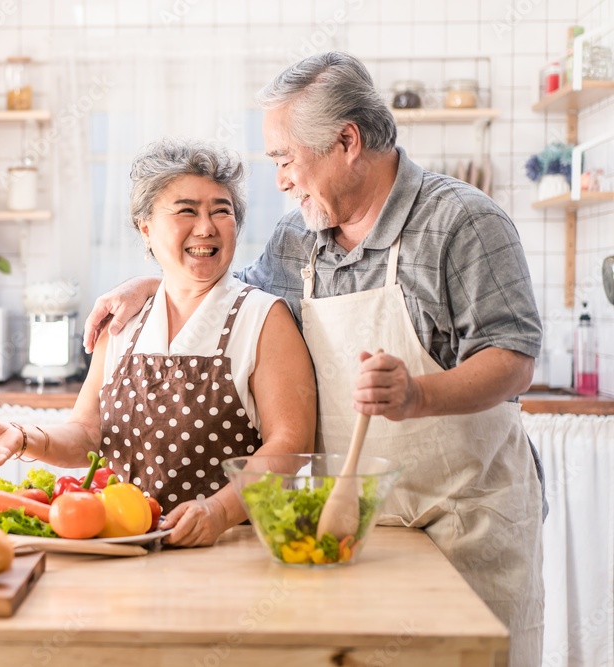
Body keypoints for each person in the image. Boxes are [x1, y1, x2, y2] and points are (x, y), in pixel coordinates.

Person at [84, 52, 544, 666]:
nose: (279, 180)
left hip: (464, 519)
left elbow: (512, 356)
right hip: (349, 526)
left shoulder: (462, 221)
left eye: (284, 158)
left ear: (346, 141)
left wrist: (418, 396)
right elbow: (229, 287)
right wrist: (148, 284)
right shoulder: (298, 235)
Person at [0, 138, 317, 548]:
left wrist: (218, 511)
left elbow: (291, 444)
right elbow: (88, 434)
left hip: (230, 548)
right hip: (124, 546)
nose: (207, 227)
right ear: (146, 228)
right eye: (186, 211)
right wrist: (23, 437)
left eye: (221, 211)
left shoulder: (264, 318)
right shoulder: (123, 323)